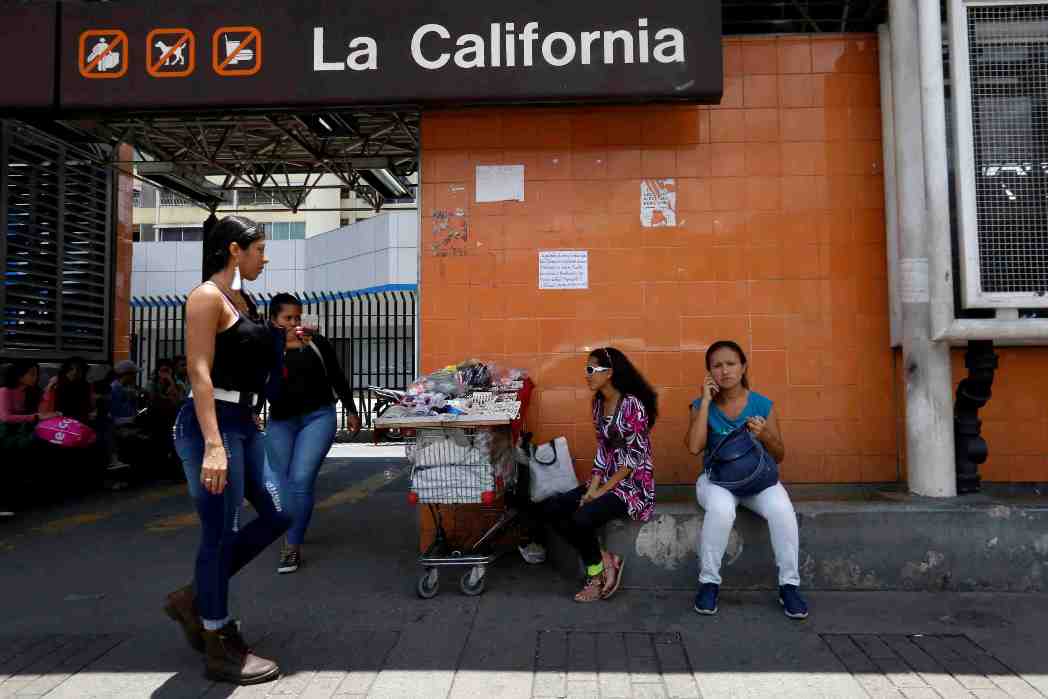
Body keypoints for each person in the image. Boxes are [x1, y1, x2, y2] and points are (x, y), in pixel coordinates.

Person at [162, 215, 290, 685]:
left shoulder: (245, 300)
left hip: (243, 423)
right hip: (209, 428)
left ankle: (194, 598)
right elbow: (199, 373)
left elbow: (242, 364)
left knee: (279, 515)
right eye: (259, 249)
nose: (264, 257)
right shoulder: (205, 298)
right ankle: (218, 641)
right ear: (235, 250)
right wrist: (214, 444)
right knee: (218, 533)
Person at [686, 340, 808, 620]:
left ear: (743, 367)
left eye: (731, 364)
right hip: (717, 481)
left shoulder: (762, 404)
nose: (724, 371)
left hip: (757, 480)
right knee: (721, 510)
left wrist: (765, 435)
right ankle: (709, 583)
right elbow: (694, 447)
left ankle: (789, 586)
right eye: (717, 366)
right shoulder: (699, 405)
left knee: (782, 510)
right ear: (709, 373)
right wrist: (705, 402)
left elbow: (779, 455)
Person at [536, 347, 657, 602]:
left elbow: (633, 458)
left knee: (582, 518)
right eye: (586, 369)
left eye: (591, 370)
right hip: (609, 479)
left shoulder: (632, 405)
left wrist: (599, 492)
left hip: (632, 485)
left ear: (610, 373)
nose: (587, 375)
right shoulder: (598, 404)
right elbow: (603, 449)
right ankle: (605, 558)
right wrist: (592, 488)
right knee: (552, 508)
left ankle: (595, 574)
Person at [265, 293, 362, 574]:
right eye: (287, 318)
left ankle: (291, 546)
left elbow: (337, 376)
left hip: (318, 418)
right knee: (279, 482)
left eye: (298, 317)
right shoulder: (268, 348)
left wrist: (351, 410)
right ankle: (295, 522)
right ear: (274, 320)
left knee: (301, 480)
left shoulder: (316, 343)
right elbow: (257, 383)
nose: (295, 323)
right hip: (281, 421)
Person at [41, 357, 96, 424]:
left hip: (79, 422)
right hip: (58, 421)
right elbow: (46, 402)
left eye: (78, 369)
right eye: (71, 369)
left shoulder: (87, 386)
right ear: (66, 370)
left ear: (83, 372)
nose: (74, 372)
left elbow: (90, 407)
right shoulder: (57, 383)